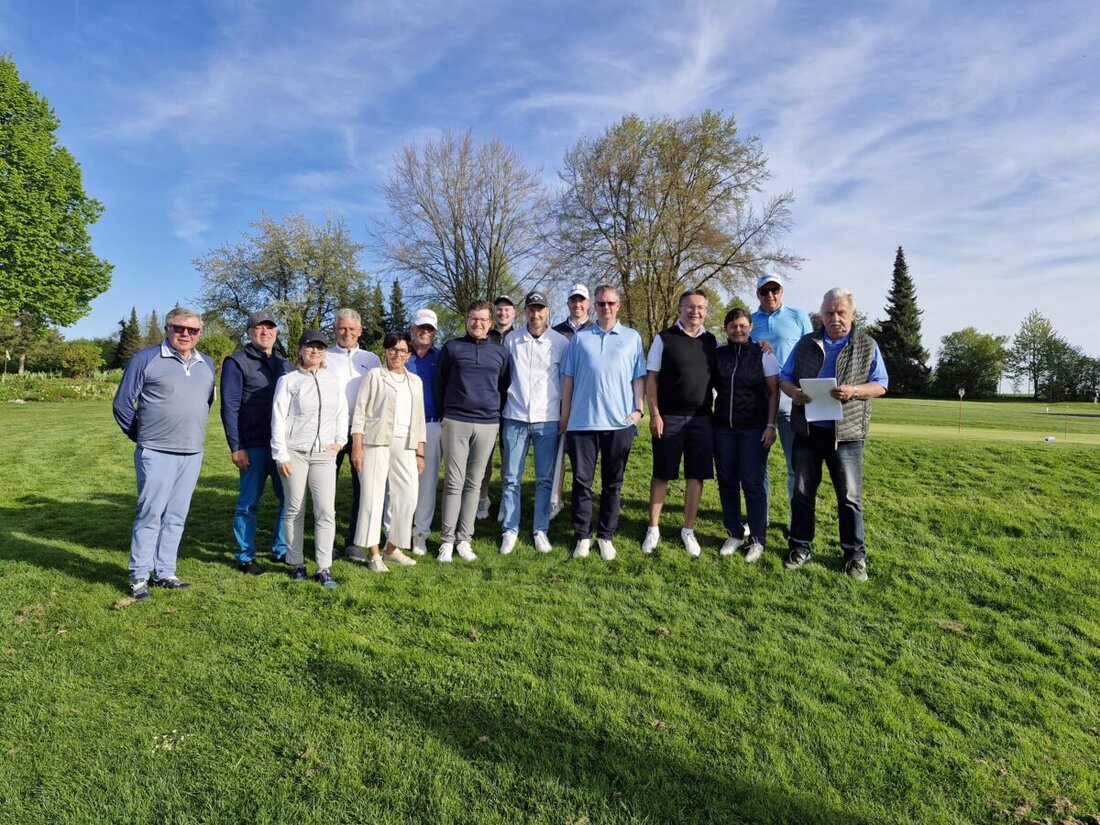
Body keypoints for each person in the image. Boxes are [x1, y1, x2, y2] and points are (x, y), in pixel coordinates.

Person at [779, 288, 888, 581]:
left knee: (850, 498)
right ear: (822, 314)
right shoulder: (805, 343)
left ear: (852, 315)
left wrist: (854, 391)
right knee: (802, 493)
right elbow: (785, 378)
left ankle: (855, 555)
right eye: (829, 312)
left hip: (848, 436)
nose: (835, 318)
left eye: (841, 312)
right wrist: (795, 393)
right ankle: (800, 547)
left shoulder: (867, 345)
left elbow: (880, 384)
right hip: (807, 431)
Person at [113, 307, 215, 600]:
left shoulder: (206, 363)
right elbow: (122, 405)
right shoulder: (145, 359)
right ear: (167, 329)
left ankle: (165, 572)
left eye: (192, 330)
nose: (185, 334)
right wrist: (143, 436)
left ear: (199, 334)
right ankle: (139, 576)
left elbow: (204, 402)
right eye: (179, 328)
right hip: (155, 451)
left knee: (176, 515)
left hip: (192, 452)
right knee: (150, 513)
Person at [559, 284, 646, 561]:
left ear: (618, 305)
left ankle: (606, 536)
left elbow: (638, 377)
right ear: (593, 307)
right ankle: (583, 536)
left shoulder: (632, 338)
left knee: (613, 483)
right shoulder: (580, 339)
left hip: (619, 423)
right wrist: (565, 416)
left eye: (610, 303)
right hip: (582, 424)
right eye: (600, 303)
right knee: (582, 483)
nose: (605, 307)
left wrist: (638, 410)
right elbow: (569, 378)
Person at [641, 289, 717, 557]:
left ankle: (688, 530)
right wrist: (655, 413)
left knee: (696, 475)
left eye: (700, 307)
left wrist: (762, 344)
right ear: (680, 309)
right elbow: (652, 379)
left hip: (702, 418)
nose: (695, 311)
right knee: (662, 473)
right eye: (690, 307)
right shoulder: (664, 339)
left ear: (706, 311)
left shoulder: (712, 341)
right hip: (668, 417)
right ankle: (653, 528)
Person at [433, 300, 511, 562]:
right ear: (466, 319)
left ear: (490, 323)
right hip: (456, 420)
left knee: (474, 483)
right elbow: (440, 383)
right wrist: (447, 414)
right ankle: (446, 540)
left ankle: (464, 540)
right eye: (473, 318)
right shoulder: (452, 347)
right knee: (453, 482)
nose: (477, 323)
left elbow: (503, 384)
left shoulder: (500, 351)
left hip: (488, 423)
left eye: (483, 320)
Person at [271, 330, 348, 588]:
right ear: (300, 350)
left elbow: (341, 413)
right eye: (310, 347)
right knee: (294, 509)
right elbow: (278, 418)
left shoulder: (333, 379)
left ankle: (323, 567)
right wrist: (281, 454)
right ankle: (296, 564)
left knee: (326, 511)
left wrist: (340, 441)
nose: (315, 351)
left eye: (320, 347)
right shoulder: (289, 380)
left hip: (325, 455)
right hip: (295, 452)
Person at [220, 310, 292, 575]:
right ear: (250, 332)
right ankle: (245, 555)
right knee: (248, 503)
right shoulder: (237, 362)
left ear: (276, 332)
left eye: (270, 328)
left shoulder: (285, 365)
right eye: (259, 328)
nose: (266, 332)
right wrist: (235, 445)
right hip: (253, 444)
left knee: (290, 500)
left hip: (281, 446)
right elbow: (229, 406)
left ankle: (281, 549)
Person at [499, 291, 569, 555]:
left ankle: (540, 529)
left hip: (547, 419)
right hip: (515, 416)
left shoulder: (560, 342)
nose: (535, 314)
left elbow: (565, 381)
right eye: (531, 309)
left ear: (548, 311)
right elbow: (504, 377)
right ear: (525, 311)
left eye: (540, 309)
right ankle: (510, 529)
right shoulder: (512, 340)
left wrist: (564, 414)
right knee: (511, 477)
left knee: (544, 479)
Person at [350, 331, 427, 573]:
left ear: (409, 355)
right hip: (376, 442)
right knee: (372, 497)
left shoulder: (415, 381)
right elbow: (360, 412)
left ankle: (392, 548)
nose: (397, 354)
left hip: (406, 444)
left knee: (408, 496)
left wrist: (420, 452)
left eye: (402, 350)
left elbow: (420, 419)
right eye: (393, 349)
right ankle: (373, 554)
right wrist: (357, 446)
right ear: (385, 351)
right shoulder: (374, 376)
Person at [712, 308, 780, 562]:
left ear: (751, 327)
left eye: (742, 325)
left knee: (753, 484)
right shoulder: (718, 355)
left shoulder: (763, 354)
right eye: (732, 325)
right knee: (727, 481)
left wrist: (770, 426)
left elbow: (774, 392)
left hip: (754, 430)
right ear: (726, 328)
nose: (737, 329)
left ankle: (758, 539)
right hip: (722, 429)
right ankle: (735, 533)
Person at [751, 274, 814, 531]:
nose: (770, 296)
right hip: (759, 402)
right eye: (765, 292)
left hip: (791, 400)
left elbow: (812, 350)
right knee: (757, 467)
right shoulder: (750, 322)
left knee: (794, 466)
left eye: (774, 290)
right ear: (758, 295)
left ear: (781, 291)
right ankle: (759, 518)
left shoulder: (798, 316)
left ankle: (794, 518)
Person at [327, 308, 381, 562]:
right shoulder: (324, 356)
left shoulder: (371, 359)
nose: (346, 333)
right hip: (331, 432)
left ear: (360, 331)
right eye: (342, 328)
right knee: (327, 488)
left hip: (362, 433)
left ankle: (354, 542)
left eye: (352, 329)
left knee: (363, 488)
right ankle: (326, 539)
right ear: (335, 330)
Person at [550, 283, 593, 518]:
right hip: (559, 402)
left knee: (582, 459)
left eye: (582, 301)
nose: (577, 304)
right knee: (558, 454)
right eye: (573, 301)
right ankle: (555, 499)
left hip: (586, 406)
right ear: (568, 304)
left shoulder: (596, 331)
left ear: (588, 304)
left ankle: (580, 499)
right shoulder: (556, 332)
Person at [405, 308, 443, 555]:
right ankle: (395, 532)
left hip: (432, 424)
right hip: (402, 427)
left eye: (429, 329)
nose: (424, 332)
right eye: (421, 327)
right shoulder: (401, 354)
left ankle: (420, 533)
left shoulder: (441, 357)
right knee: (399, 482)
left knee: (427, 482)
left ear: (435, 332)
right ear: (412, 329)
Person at [478, 294, 517, 519]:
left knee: (508, 457)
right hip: (487, 404)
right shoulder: (486, 336)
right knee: (485, 455)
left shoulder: (520, 336)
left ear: (514, 313)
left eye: (507, 310)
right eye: (499, 309)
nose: (503, 313)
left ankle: (505, 500)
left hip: (511, 404)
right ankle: (483, 498)